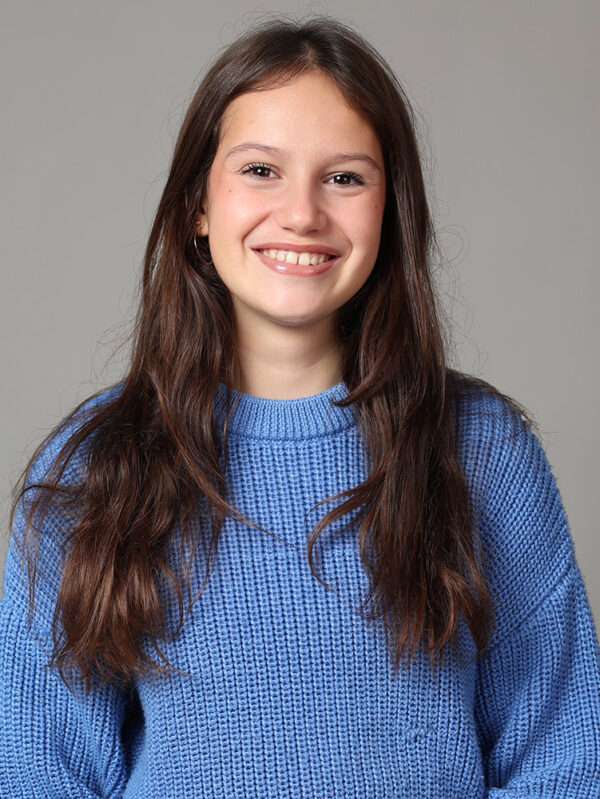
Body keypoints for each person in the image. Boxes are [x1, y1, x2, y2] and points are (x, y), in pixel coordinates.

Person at [1, 15, 599, 798]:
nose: (302, 213)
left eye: (344, 178)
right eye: (260, 170)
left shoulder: (478, 447)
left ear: (389, 210)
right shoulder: (96, 464)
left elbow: (564, 757)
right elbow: (35, 767)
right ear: (197, 204)